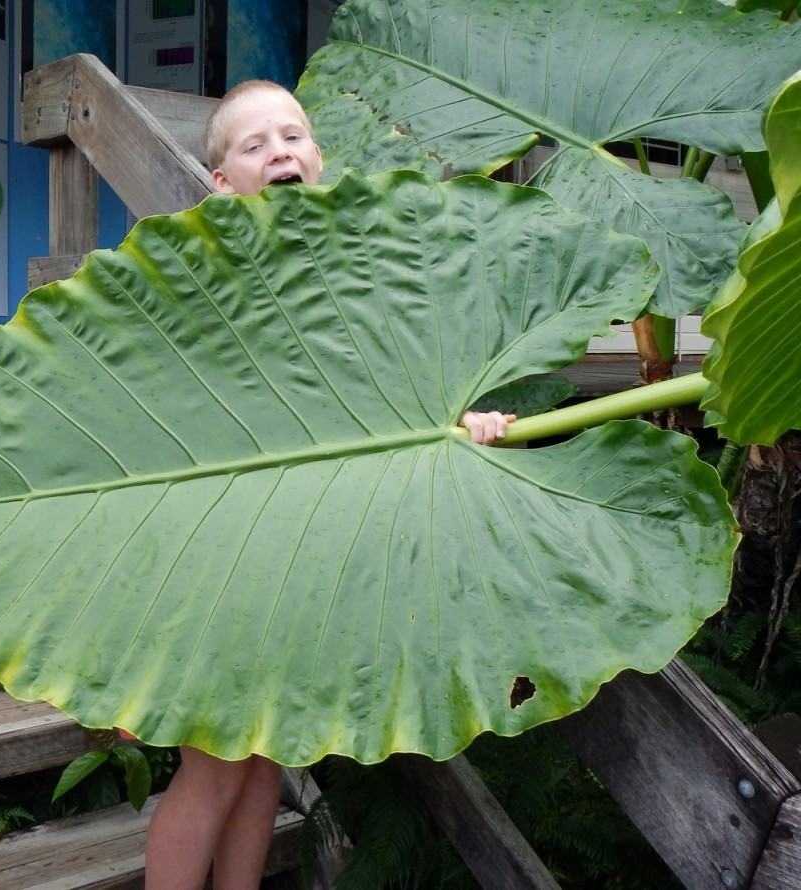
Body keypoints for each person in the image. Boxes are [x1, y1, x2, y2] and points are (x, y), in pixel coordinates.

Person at [142, 79, 515, 890]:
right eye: (255, 145)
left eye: (294, 136)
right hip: (222, 547)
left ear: (317, 156)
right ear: (221, 184)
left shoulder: (348, 266)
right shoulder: (204, 273)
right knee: (211, 767)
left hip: (301, 552)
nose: (280, 151)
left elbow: (392, 388)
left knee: (261, 763)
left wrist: (461, 423)